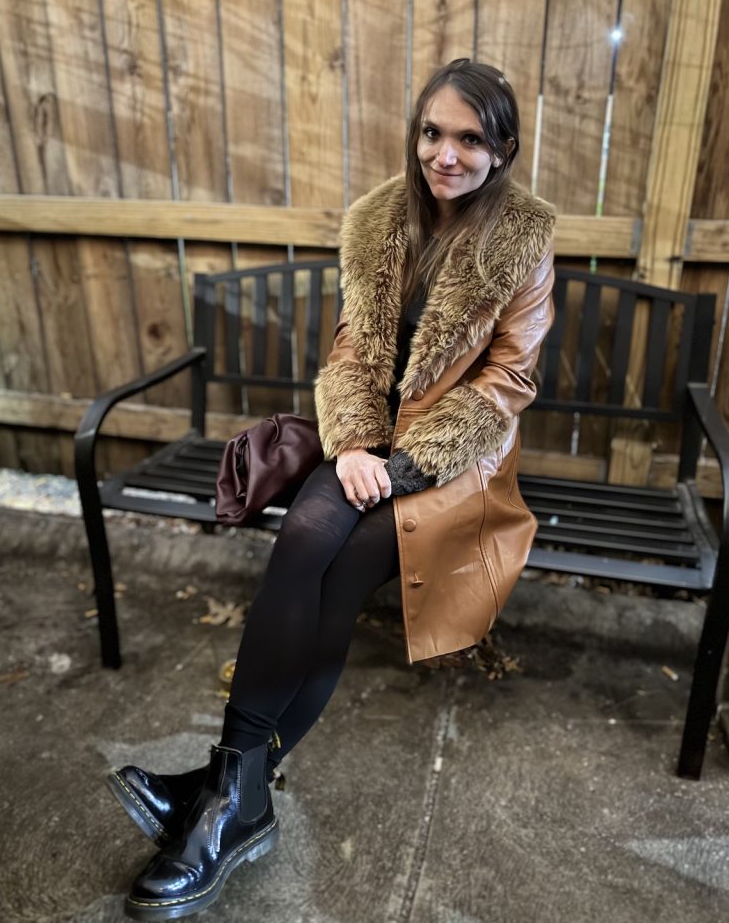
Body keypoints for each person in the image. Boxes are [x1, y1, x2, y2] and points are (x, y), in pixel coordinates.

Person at [110, 58, 556, 921]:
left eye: (470, 138)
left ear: (501, 148)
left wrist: (401, 464)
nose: (446, 154)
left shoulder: (523, 242)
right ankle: (237, 795)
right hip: (365, 446)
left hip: (452, 467)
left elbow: (506, 385)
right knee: (305, 540)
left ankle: (218, 795)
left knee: (344, 566)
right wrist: (352, 444)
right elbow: (351, 352)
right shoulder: (380, 221)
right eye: (433, 132)